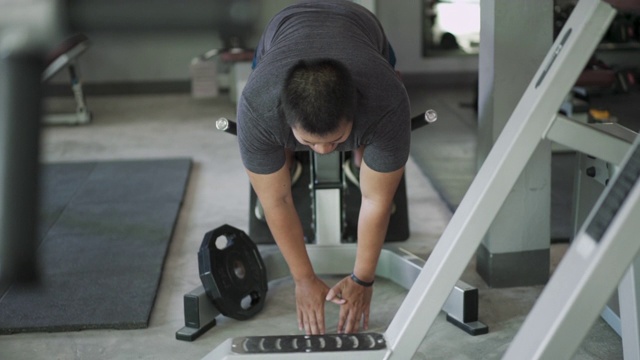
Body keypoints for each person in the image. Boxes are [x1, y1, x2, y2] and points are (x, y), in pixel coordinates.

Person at [236, 0, 411, 336]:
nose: (324, 151)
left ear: (355, 112)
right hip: (283, 28)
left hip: (360, 24)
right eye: (310, 143)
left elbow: (376, 202)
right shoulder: (257, 107)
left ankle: (361, 164)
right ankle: (288, 164)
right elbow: (277, 202)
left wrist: (363, 278)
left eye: (336, 140)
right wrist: (302, 279)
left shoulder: (387, 101)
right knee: (277, 169)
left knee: (373, 166)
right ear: (286, 119)